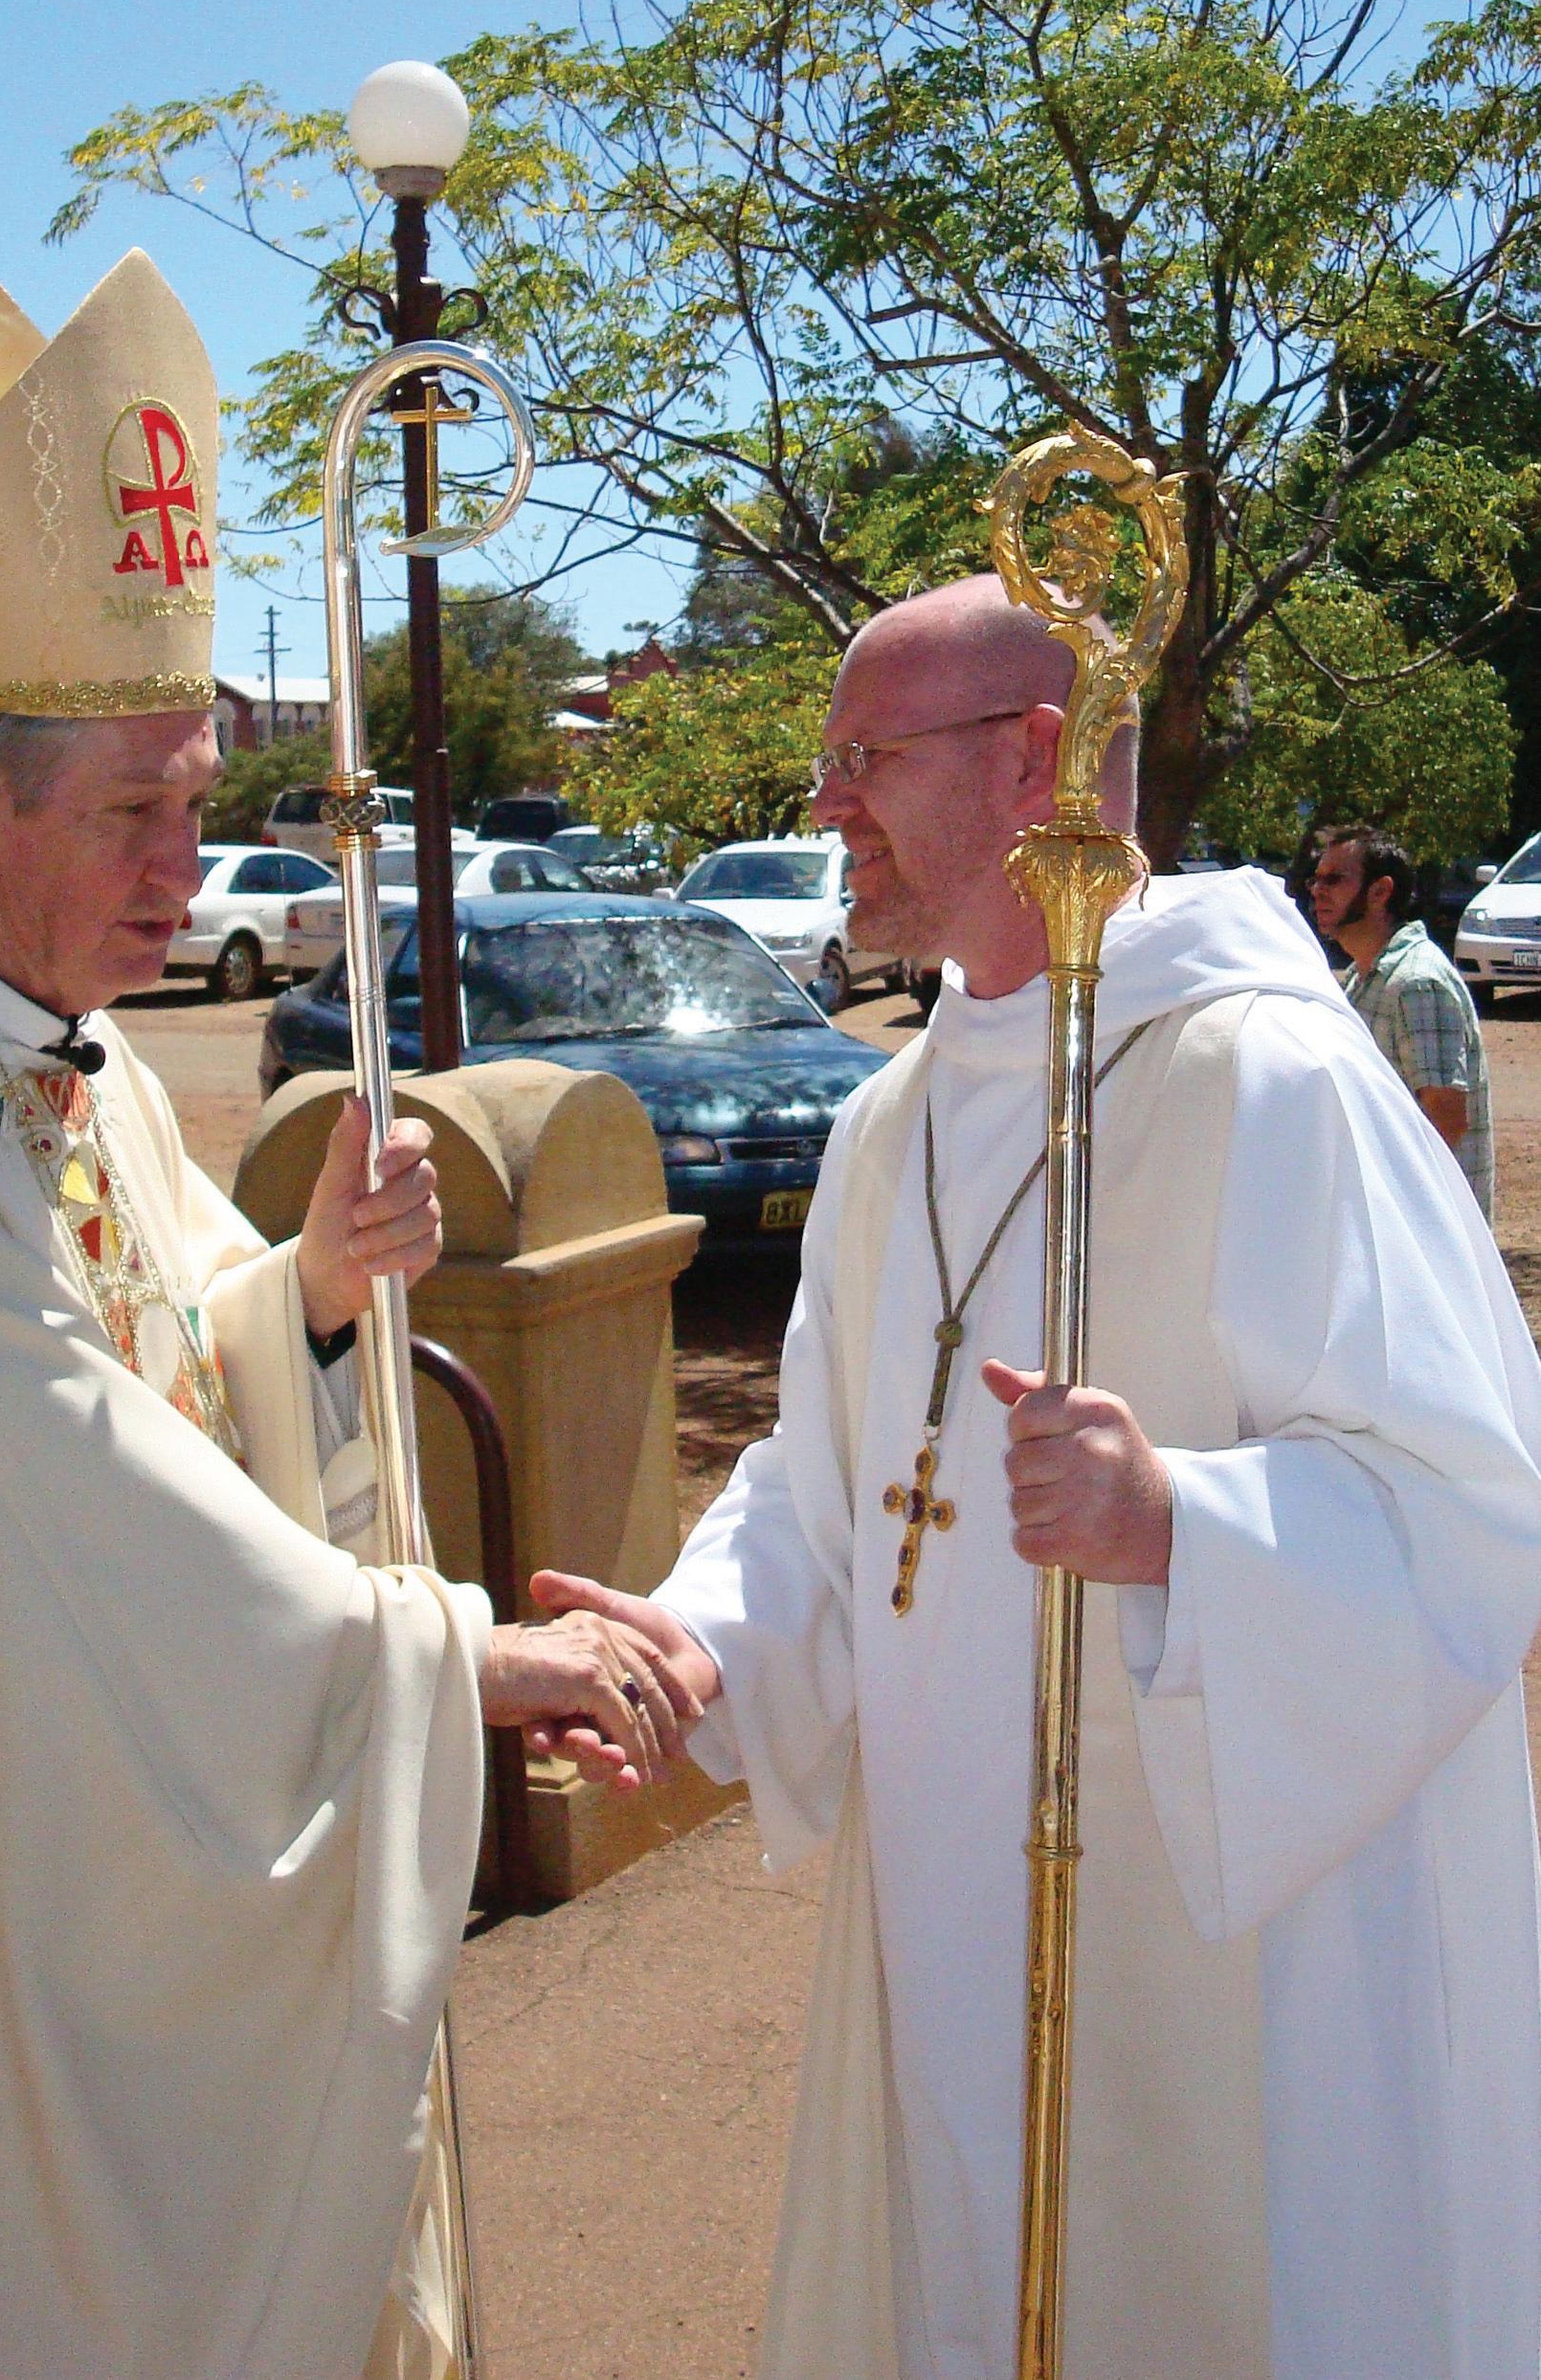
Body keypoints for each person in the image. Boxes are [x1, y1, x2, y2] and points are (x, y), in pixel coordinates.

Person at [0, 252, 687, 2380]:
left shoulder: (75, 1050)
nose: (190, 869)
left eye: (198, 802)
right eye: (137, 813)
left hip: (80, 1853)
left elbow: (173, 1353)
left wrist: (312, 1291)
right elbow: (65, 1479)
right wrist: (457, 1654)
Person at [536, 574, 1541, 2380]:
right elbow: (836, 1486)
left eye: (865, 757)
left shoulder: (1268, 1077)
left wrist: (1182, 1528)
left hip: (1229, 1939)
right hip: (949, 1903)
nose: (824, 804)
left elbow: (1467, 1508)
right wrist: (698, 1642)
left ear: (1036, 764)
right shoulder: (889, 1119)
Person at [1309, 823, 1493, 1215]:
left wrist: (1396, 1212)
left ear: (1380, 892)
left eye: (1334, 879)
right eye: (1316, 879)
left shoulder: (1416, 982)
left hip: (1425, 1223)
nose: (1318, 890)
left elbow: (1446, 1119)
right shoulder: (1363, 976)